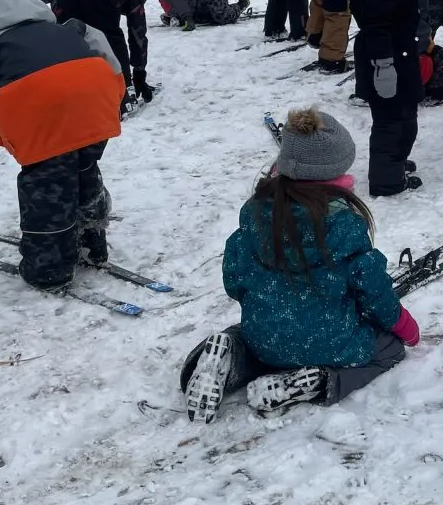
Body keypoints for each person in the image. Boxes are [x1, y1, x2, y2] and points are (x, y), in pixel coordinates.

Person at [178, 108, 420, 423]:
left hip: (265, 338)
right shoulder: (345, 224)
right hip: (331, 342)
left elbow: (234, 278)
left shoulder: (255, 213)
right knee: (390, 349)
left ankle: (226, 359)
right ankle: (320, 381)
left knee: (244, 340)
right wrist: (403, 325)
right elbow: (373, 292)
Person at [0, 0, 125, 288]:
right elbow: (101, 47)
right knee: (84, 170)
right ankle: (91, 246)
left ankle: (49, 270)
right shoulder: (69, 28)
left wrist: (0, 138)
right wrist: (112, 100)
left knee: (48, 189)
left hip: (42, 116)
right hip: (95, 105)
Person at [352, 0, 430, 197]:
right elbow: (377, 23)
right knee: (392, 120)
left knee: (402, 115)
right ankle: (387, 180)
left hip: (397, 53)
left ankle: (394, 163)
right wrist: (383, 65)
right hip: (386, 57)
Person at [50, 0, 151, 110]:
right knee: (110, 40)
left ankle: (68, 92)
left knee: (69, 38)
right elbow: (137, 33)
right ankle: (123, 99)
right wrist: (139, 72)